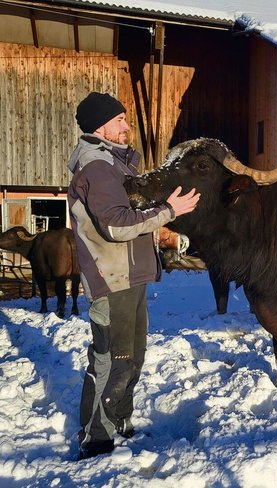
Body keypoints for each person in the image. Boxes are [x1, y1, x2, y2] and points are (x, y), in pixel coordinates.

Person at [67, 92, 200, 460]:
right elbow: (115, 225)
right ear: (101, 125)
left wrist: (163, 219)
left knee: (133, 356)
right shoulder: (97, 166)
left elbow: (132, 217)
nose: (127, 126)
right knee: (113, 358)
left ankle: (119, 422)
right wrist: (169, 211)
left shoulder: (116, 164)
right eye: (121, 119)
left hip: (129, 276)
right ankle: (96, 439)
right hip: (111, 280)